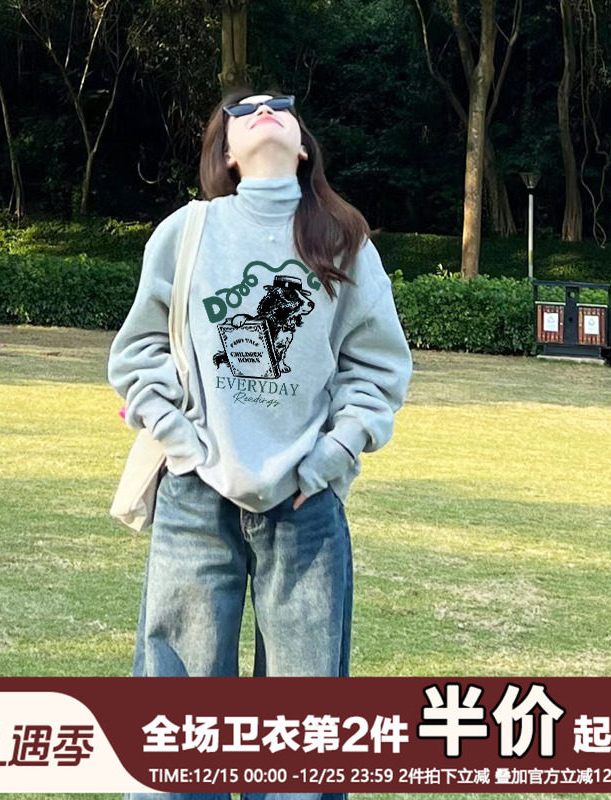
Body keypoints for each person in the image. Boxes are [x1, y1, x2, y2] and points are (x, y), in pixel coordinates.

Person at [107, 86, 413, 800]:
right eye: (243, 111)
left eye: (281, 106)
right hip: (195, 495)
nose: (264, 111)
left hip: (306, 505)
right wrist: (179, 442)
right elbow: (138, 351)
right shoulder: (187, 232)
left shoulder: (344, 240)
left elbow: (378, 367)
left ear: (302, 147)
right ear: (227, 153)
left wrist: (333, 455)